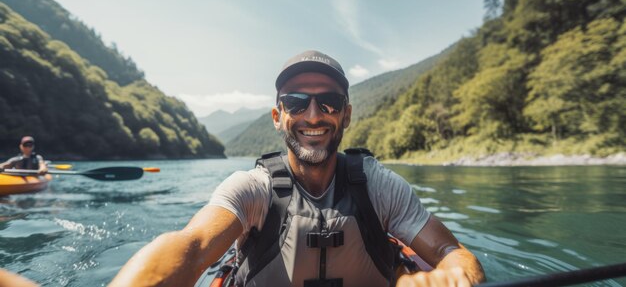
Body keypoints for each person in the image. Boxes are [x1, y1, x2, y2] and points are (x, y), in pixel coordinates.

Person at [110, 50, 485, 287]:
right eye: (295, 102)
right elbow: (189, 247)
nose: (312, 116)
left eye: (329, 103)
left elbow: (451, 250)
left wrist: (455, 275)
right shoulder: (251, 189)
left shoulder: (379, 186)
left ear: (346, 114)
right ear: (278, 116)